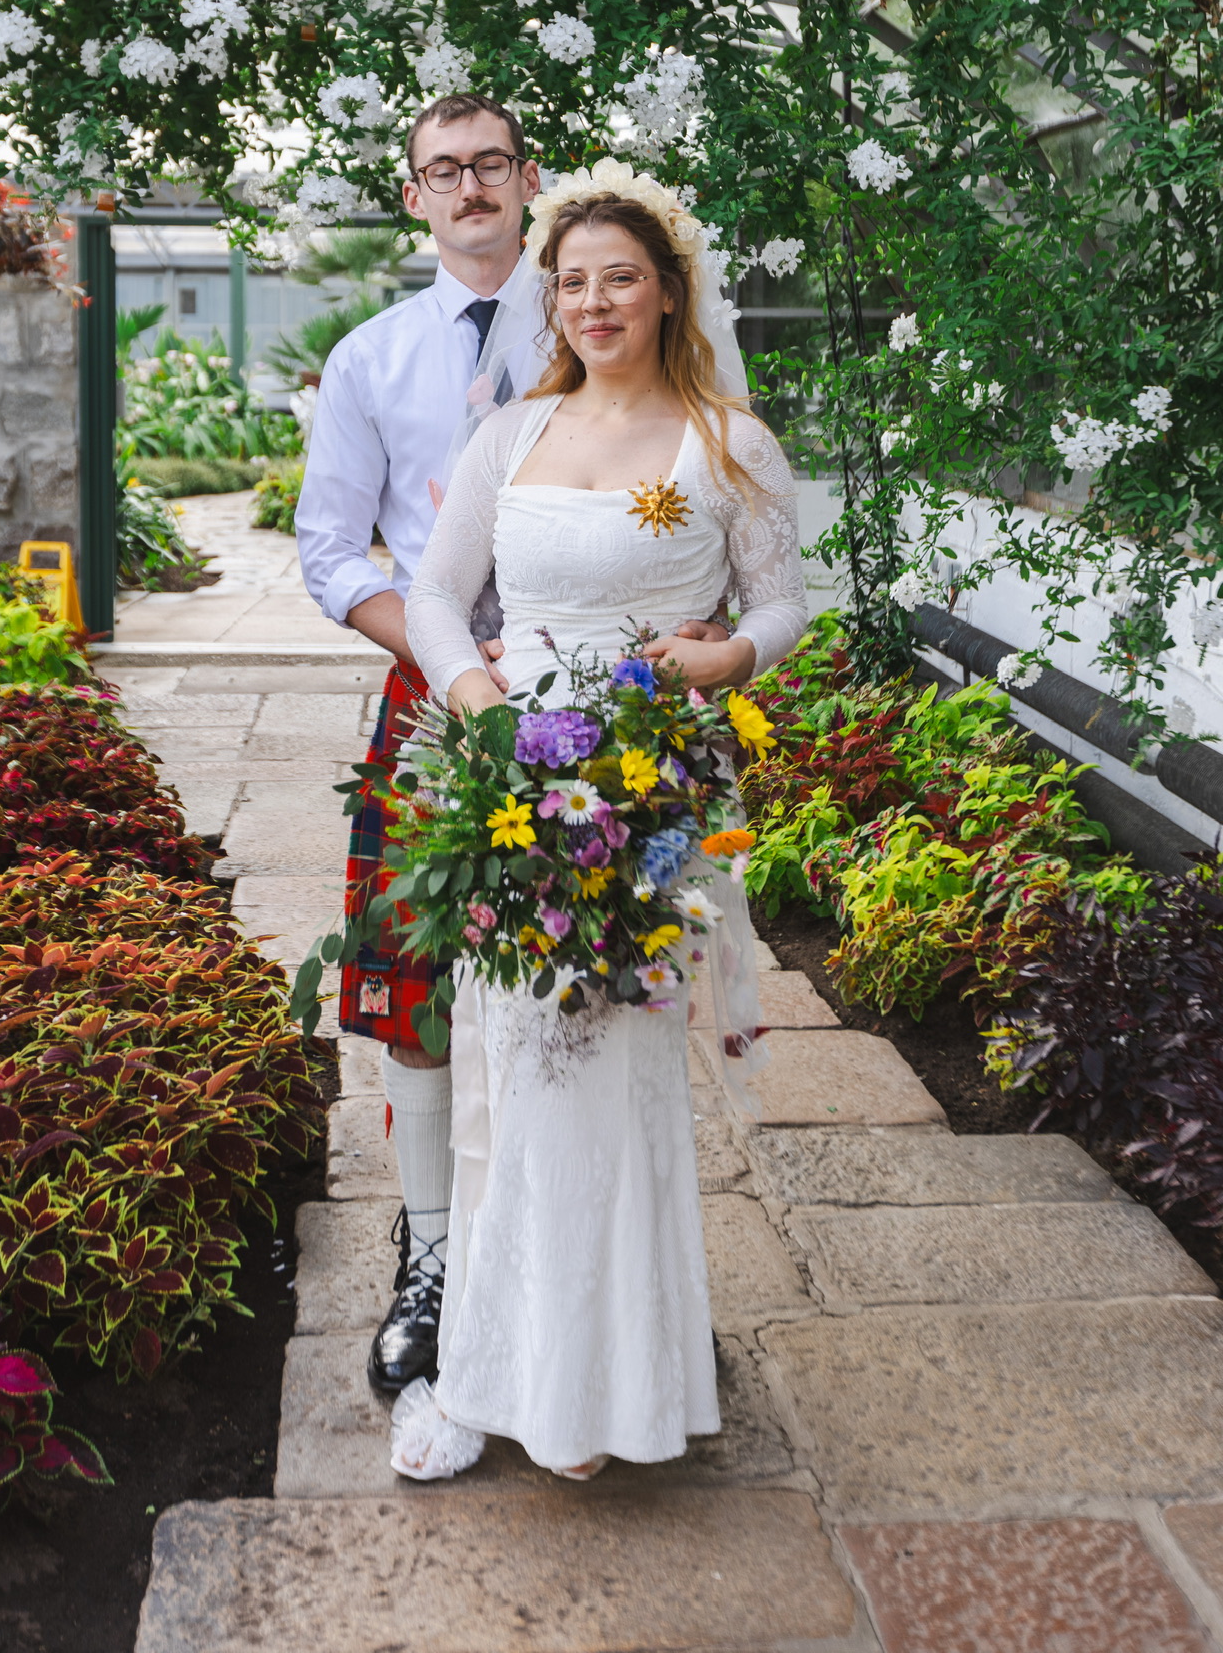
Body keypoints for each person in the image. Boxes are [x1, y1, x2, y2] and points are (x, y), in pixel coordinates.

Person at [296, 108, 734, 1399]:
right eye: (445, 171)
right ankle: (434, 1261)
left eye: (493, 165)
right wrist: (463, 676)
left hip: (610, 715)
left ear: (530, 183)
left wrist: (701, 630)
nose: (472, 188)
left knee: (608, 992)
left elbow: (714, 498)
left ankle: (628, 1296)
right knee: (417, 983)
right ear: (416, 196)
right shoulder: (370, 360)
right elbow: (333, 557)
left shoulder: (611, 323)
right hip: (440, 705)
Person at [393, 164, 807, 1480]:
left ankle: (611, 1392)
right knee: (514, 1075)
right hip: (516, 786)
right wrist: (476, 699)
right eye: (569, 281)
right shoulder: (511, 436)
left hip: (645, 791)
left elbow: (787, 601)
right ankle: (501, 1376)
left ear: (669, 288)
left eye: (618, 276)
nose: (592, 301)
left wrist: (719, 665)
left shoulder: (727, 439)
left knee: (614, 1084)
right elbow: (438, 594)